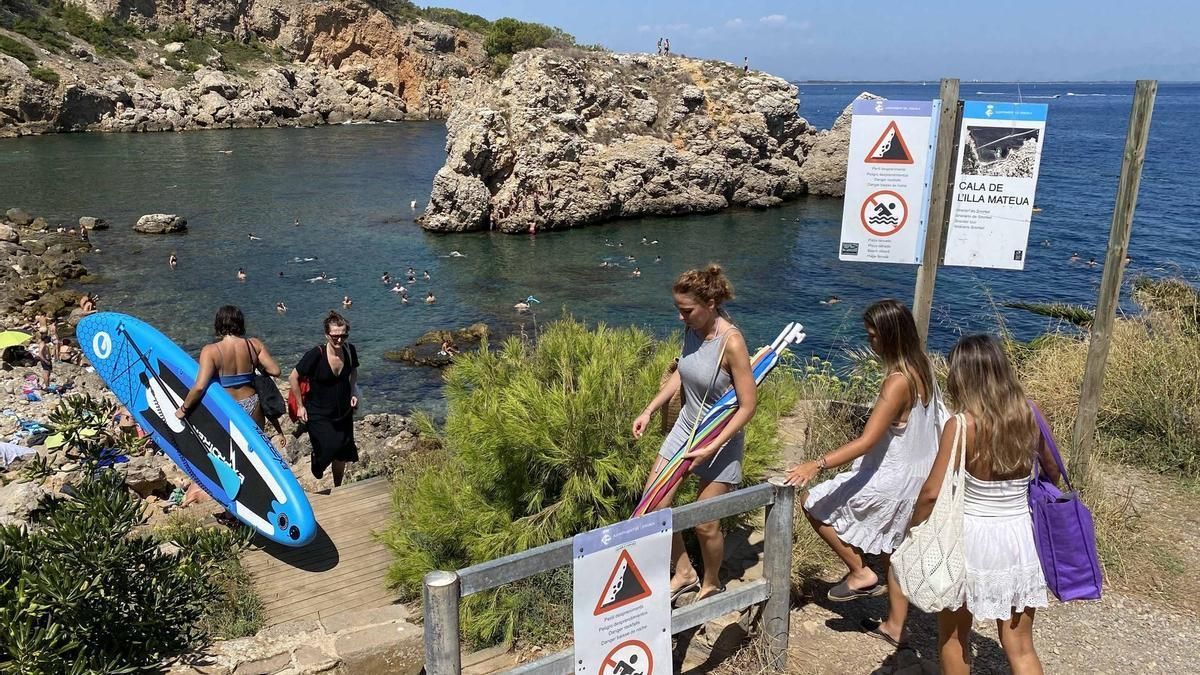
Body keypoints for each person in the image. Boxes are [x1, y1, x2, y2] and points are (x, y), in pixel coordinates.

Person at [785, 299, 944, 648]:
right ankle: (895, 626)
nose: (869, 341)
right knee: (894, 550)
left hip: (892, 476)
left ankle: (859, 572)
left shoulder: (897, 381)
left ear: (889, 335)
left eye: (873, 335)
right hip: (919, 476)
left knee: (814, 501)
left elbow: (867, 440)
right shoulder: (924, 370)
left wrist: (818, 463)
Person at [911, 334, 1058, 675]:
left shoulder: (962, 425)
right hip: (1019, 537)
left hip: (972, 537)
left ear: (961, 375)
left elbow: (932, 492)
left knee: (954, 637)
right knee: (1020, 646)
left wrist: (914, 529)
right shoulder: (1030, 412)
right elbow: (1052, 472)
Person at [632, 264, 757, 602]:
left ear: (711, 302)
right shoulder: (692, 329)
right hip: (686, 428)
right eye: (678, 309)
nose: (680, 317)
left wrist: (713, 445)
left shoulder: (732, 343)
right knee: (653, 505)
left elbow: (747, 405)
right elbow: (683, 373)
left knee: (705, 523)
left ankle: (711, 581)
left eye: (686, 310)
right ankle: (684, 571)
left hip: (720, 437)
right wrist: (649, 409)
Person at [176, 306, 282, 431]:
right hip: (253, 403)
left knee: (228, 448)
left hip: (226, 406)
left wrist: (183, 409)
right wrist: (255, 367)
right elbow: (276, 371)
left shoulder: (210, 350)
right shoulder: (254, 344)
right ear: (240, 323)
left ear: (219, 324)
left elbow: (199, 387)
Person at [290, 312, 360, 486]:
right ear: (327, 335)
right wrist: (300, 406)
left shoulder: (350, 350)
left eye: (343, 335)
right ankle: (318, 461)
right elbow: (293, 377)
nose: (339, 340)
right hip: (318, 412)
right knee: (329, 447)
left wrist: (352, 392)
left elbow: (353, 371)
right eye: (335, 336)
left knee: (343, 452)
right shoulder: (316, 354)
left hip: (343, 411)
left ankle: (338, 486)